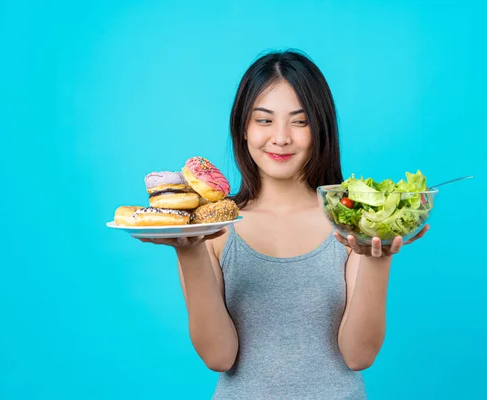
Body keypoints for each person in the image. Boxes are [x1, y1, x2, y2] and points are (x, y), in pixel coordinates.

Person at [139, 49, 428, 399]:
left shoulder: (349, 222)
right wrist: (188, 252)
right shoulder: (211, 228)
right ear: (242, 129)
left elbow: (358, 355)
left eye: (300, 121)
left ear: (320, 129)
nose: (281, 137)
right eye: (264, 120)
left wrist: (377, 256)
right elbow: (218, 356)